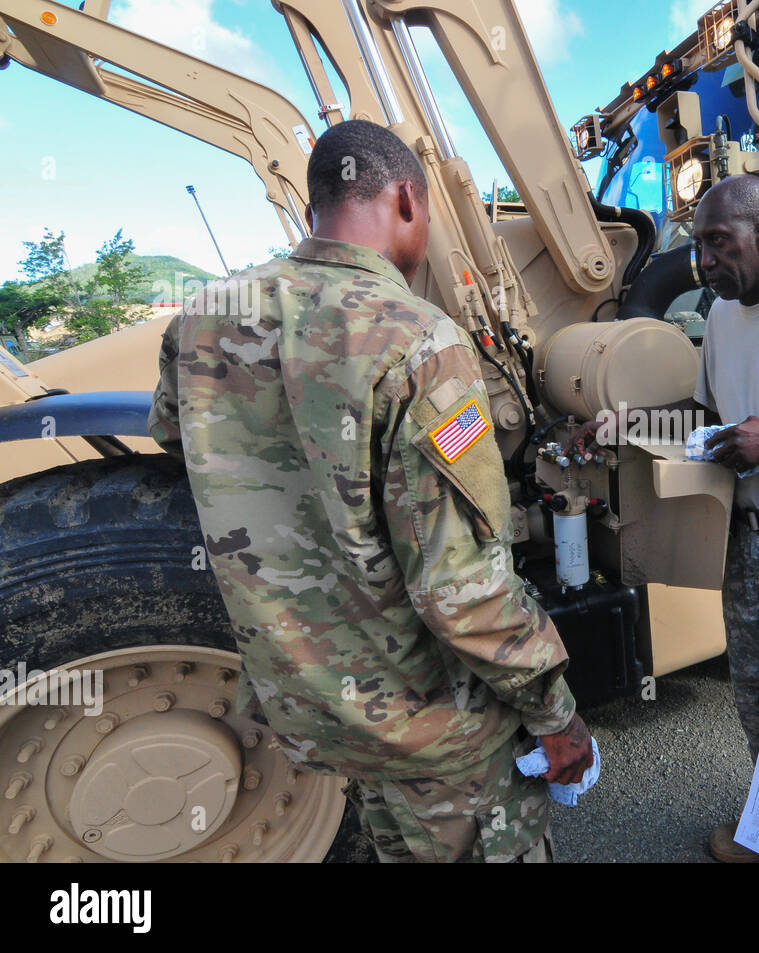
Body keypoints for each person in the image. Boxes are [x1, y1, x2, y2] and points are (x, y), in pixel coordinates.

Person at [148, 119, 592, 863]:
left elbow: (180, 443)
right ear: (409, 202)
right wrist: (556, 712)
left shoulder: (199, 320)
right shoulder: (421, 344)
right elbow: (462, 587)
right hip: (435, 733)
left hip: (319, 711)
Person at [571, 174, 759, 862]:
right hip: (745, 543)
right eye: (698, 245)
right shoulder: (722, 318)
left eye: (719, 243)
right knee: (756, 701)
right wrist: (626, 423)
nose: (704, 261)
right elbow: (706, 416)